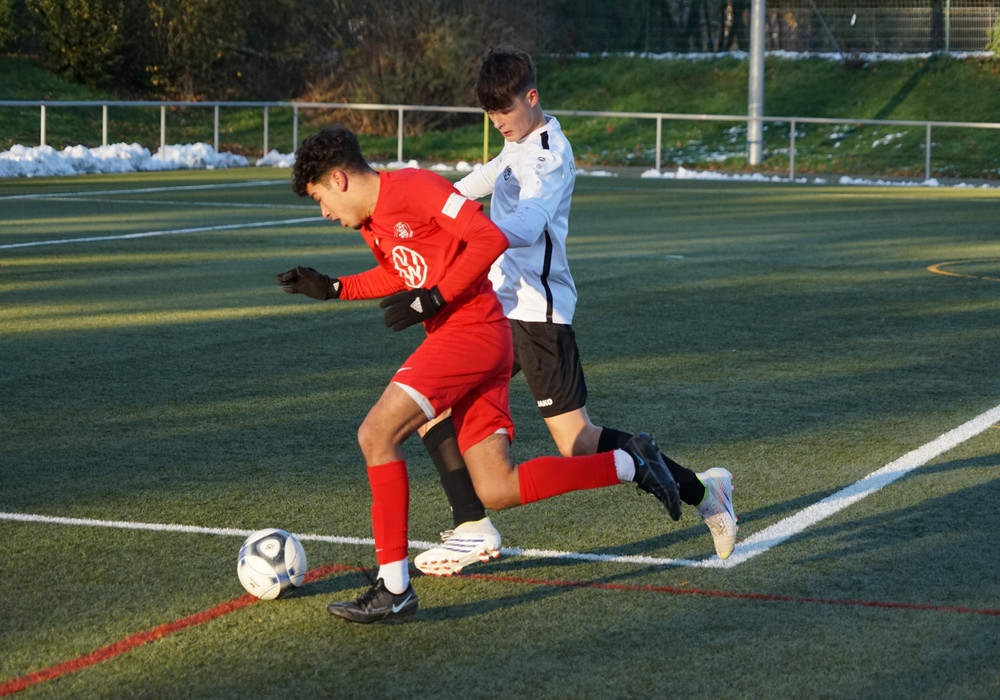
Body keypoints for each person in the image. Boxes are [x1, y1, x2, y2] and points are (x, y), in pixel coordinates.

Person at [276, 124, 681, 624]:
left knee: (376, 434)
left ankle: (394, 587)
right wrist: (335, 287)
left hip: (472, 333)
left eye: (320, 198)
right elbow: (402, 273)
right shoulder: (373, 223)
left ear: (338, 179)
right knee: (496, 486)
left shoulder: (416, 188)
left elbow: (487, 237)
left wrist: (439, 296)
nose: (324, 212)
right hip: (470, 338)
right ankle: (629, 462)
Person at [414, 47, 737, 577]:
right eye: (490, 116)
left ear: (532, 97)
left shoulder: (549, 156)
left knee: (577, 443)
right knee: (432, 402)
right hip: (496, 309)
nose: (498, 124)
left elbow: (528, 224)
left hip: (536, 314)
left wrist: (473, 233)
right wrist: (425, 201)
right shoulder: (517, 144)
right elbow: (482, 179)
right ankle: (470, 527)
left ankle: (704, 492)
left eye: (505, 112)